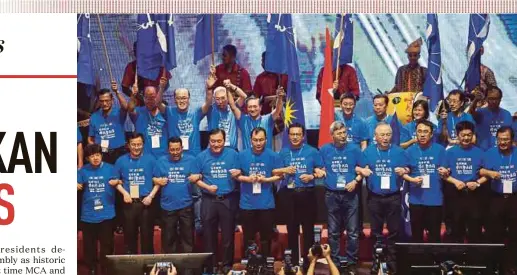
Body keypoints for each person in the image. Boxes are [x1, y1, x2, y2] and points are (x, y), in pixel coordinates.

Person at [357, 122, 410, 274]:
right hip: (374, 198)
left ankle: (392, 263)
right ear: (376, 136)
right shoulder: (368, 152)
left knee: (393, 232)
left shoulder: (399, 152)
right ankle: (377, 261)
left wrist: (404, 170)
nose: (385, 138)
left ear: (391, 136)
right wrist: (362, 170)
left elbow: (408, 167)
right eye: (382, 135)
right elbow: (359, 167)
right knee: (376, 233)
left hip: (393, 197)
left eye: (388, 134)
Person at [189, 128, 241, 273]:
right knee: (208, 236)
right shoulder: (200, 157)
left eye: (219, 141)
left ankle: (226, 267)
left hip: (228, 199)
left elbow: (241, 172)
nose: (216, 144)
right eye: (213, 141)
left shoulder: (233, 154)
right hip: (208, 200)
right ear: (208, 141)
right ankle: (210, 267)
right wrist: (206, 186)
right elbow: (195, 178)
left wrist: (240, 172)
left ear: (224, 141)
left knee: (227, 236)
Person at [275, 123, 324, 268]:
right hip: (288, 195)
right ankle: (294, 262)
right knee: (292, 229)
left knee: (308, 229)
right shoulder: (283, 152)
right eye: (292, 134)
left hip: (307, 194)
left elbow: (322, 170)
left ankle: (309, 262)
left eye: (298, 134)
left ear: (303, 136)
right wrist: (285, 169)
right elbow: (275, 172)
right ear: (288, 136)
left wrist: (312, 176)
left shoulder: (312, 151)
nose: (295, 137)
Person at [319, 121, 363, 272]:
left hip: (350, 194)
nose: (343, 135)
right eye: (339, 133)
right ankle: (335, 263)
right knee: (333, 232)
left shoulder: (355, 149)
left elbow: (363, 169)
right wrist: (321, 172)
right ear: (332, 135)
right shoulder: (324, 150)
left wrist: (356, 181)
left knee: (352, 232)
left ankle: (351, 262)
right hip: (332, 194)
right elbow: (318, 167)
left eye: (344, 132)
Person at [236, 127, 282, 257]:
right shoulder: (242, 155)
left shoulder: (273, 155)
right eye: (255, 140)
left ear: (266, 140)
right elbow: (236, 175)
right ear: (250, 140)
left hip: (266, 204)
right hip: (247, 204)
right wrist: (248, 179)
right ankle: (250, 265)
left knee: (266, 237)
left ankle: (267, 264)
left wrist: (266, 179)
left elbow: (280, 176)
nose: (258, 143)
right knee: (248, 238)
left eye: (261, 140)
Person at [114, 133, 160, 254]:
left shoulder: (151, 159)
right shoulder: (121, 160)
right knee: (129, 238)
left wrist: (151, 196)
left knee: (147, 238)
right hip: (129, 204)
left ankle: (148, 269)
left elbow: (158, 181)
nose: (136, 147)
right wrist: (124, 193)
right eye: (133, 144)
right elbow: (115, 181)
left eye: (139, 144)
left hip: (146, 203)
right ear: (128, 145)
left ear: (143, 145)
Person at [403, 120, 448, 243]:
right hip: (416, 200)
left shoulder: (440, 150)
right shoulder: (409, 151)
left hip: (435, 200)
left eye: (426, 132)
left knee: (434, 236)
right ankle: (418, 261)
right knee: (416, 236)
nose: (422, 135)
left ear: (432, 134)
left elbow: (446, 170)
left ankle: (434, 261)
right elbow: (405, 171)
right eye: (419, 132)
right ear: (415, 133)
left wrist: (445, 171)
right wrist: (407, 174)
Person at [480, 126, 517, 273]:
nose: (503, 142)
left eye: (506, 139)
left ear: (512, 140)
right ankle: (494, 266)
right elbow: (481, 170)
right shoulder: (489, 153)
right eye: (500, 139)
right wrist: (489, 172)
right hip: (496, 198)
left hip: (514, 199)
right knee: (494, 234)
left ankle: (512, 265)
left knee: (515, 234)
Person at [77, 144, 118, 275]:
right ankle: (92, 269)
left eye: (98, 155)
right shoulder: (82, 171)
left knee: (107, 245)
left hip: (107, 214)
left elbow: (120, 182)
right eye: (92, 156)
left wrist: (119, 183)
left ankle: (106, 269)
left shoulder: (111, 169)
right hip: (88, 215)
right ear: (88, 158)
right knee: (89, 247)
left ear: (101, 155)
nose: (95, 158)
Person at [443, 121, 487, 243]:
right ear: (457, 135)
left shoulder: (480, 152)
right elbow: (443, 175)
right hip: (456, 195)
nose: (466, 138)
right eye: (463, 135)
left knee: (475, 231)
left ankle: (475, 260)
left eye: (469, 135)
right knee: (456, 230)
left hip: (474, 195)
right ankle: (456, 260)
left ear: (473, 135)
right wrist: (455, 182)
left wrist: (477, 183)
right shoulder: (449, 152)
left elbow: (487, 175)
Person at [153, 137, 196, 254]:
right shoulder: (161, 161)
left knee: (188, 239)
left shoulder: (191, 160)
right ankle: (170, 268)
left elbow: (199, 175)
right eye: (172, 150)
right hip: (167, 206)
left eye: (178, 149)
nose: (175, 152)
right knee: (168, 240)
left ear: (182, 148)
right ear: (168, 150)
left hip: (186, 205)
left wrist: (199, 176)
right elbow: (154, 177)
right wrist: (157, 180)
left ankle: (188, 270)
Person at [88, 83, 129, 164]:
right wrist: (96, 152)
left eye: (107, 100)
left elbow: (125, 107)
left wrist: (117, 92)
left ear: (112, 100)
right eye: (102, 101)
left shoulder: (118, 112)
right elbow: (90, 138)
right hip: (102, 153)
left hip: (119, 151)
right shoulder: (94, 116)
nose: (104, 103)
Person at [128, 80, 169, 159]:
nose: (150, 101)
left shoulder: (166, 113)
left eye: (153, 97)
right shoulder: (139, 112)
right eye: (147, 97)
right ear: (143, 98)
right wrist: (133, 95)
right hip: (145, 157)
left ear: (158, 97)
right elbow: (130, 109)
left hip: (164, 157)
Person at [470, 86, 512, 151]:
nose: (494, 101)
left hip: (501, 151)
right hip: (483, 151)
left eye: (496, 98)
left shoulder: (506, 114)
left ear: (500, 99)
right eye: (491, 98)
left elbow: (510, 134)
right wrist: (476, 100)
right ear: (486, 99)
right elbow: (471, 112)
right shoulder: (480, 112)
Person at [207, 84, 248, 151]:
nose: (220, 101)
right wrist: (209, 87)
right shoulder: (210, 109)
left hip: (231, 150)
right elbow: (207, 101)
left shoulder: (233, 109)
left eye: (223, 98)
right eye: (217, 99)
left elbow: (244, 96)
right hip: (215, 149)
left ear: (228, 97)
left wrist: (231, 86)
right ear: (214, 99)